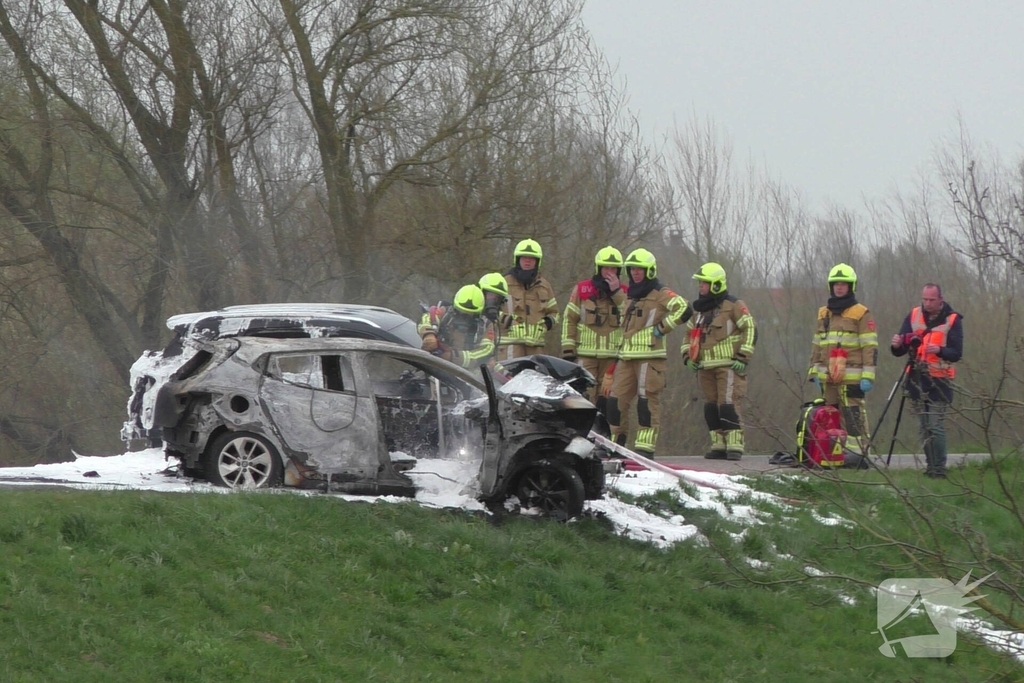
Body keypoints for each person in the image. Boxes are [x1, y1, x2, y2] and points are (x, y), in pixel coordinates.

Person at [606, 248, 690, 458]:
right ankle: (615, 444)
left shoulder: (660, 292)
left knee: (646, 403)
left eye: (640, 269)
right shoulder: (631, 294)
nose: (635, 272)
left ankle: (645, 447)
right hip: (627, 357)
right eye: (632, 269)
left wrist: (662, 328)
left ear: (649, 271)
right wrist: (616, 292)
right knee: (615, 401)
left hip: (650, 357)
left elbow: (684, 308)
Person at [890, 283, 963, 478]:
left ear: (941, 299)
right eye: (925, 299)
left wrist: (940, 350)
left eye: (931, 300)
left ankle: (939, 468)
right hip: (916, 378)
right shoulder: (914, 315)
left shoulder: (953, 319)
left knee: (935, 426)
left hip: (940, 381)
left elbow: (957, 353)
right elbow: (902, 348)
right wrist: (896, 345)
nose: (927, 303)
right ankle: (930, 467)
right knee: (923, 427)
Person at [685, 263, 756, 461]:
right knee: (711, 407)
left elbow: (750, 328)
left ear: (716, 284)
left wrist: (743, 356)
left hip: (728, 366)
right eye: (700, 282)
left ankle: (735, 444)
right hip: (704, 367)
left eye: (704, 282)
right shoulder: (699, 311)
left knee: (727, 404)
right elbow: (688, 335)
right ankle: (718, 444)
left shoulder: (733, 305)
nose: (700, 286)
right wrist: (687, 357)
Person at [807, 263, 877, 457]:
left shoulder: (861, 313)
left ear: (851, 286)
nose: (839, 287)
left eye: (843, 284)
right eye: (836, 284)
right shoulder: (823, 313)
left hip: (852, 376)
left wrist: (868, 376)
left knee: (853, 416)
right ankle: (834, 455)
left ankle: (858, 454)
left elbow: (869, 346)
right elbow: (817, 344)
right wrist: (813, 371)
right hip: (827, 376)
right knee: (830, 417)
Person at [561, 246, 628, 411]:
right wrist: (568, 350)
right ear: (598, 268)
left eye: (613, 269)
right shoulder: (582, 289)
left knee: (608, 401)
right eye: (606, 268)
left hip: (612, 358)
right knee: (583, 400)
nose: (609, 273)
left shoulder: (625, 293)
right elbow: (569, 318)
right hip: (585, 356)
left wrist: (616, 292)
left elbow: (630, 318)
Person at [498, 239, 559, 360]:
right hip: (510, 346)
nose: (527, 261)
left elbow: (554, 313)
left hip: (536, 347)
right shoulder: (503, 283)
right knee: (511, 373)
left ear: (537, 262)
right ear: (517, 259)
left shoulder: (544, 285)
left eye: (531, 258)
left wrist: (545, 325)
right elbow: (491, 311)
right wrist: (509, 322)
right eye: (524, 257)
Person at [419, 284, 496, 369]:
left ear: (478, 314)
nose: (463, 319)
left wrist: (453, 357)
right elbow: (426, 318)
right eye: (460, 312)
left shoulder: (485, 326)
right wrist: (429, 335)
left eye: (468, 315)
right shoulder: (445, 313)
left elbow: (486, 350)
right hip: (433, 364)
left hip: (464, 373)